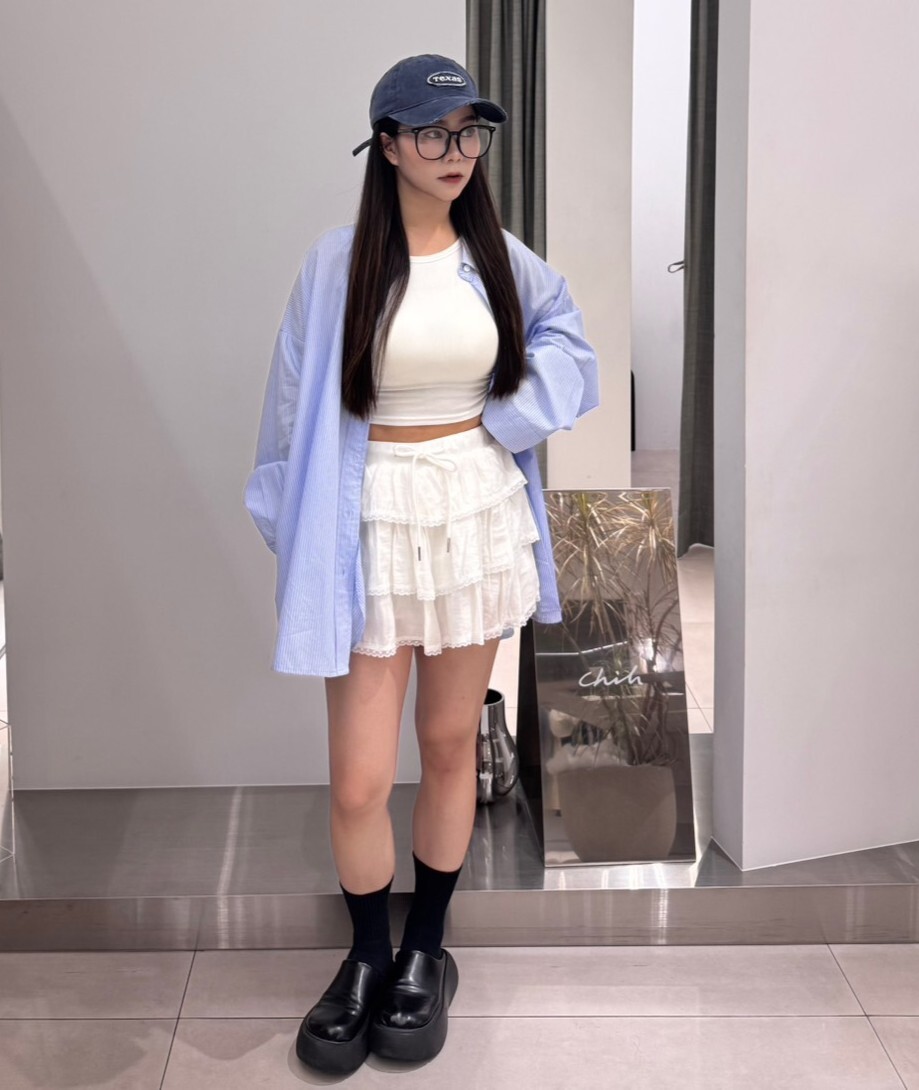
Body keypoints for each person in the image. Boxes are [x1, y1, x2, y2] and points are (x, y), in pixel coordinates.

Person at [244, 53, 599, 1074]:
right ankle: (365, 955)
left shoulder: (500, 258)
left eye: (470, 131)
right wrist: (293, 532)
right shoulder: (336, 264)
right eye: (435, 133)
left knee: (448, 749)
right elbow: (288, 408)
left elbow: (567, 344)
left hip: (474, 513)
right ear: (388, 144)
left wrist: (513, 413)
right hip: (370, 519)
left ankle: (424, 951)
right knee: (360, 779)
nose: (458, 151)